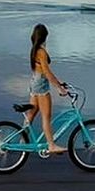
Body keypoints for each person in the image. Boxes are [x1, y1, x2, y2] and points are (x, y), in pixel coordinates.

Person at [26, 23, 68, 154]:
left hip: (34, 82)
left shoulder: (34, 49)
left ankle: (21, 138)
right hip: (41, 85)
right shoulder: (41, 52)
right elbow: (47, 72)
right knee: (46, 117)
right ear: (45, 37)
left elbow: (42, 71)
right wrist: (59, 88)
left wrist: (59, 82)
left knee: (31, 115)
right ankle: (51, 145)